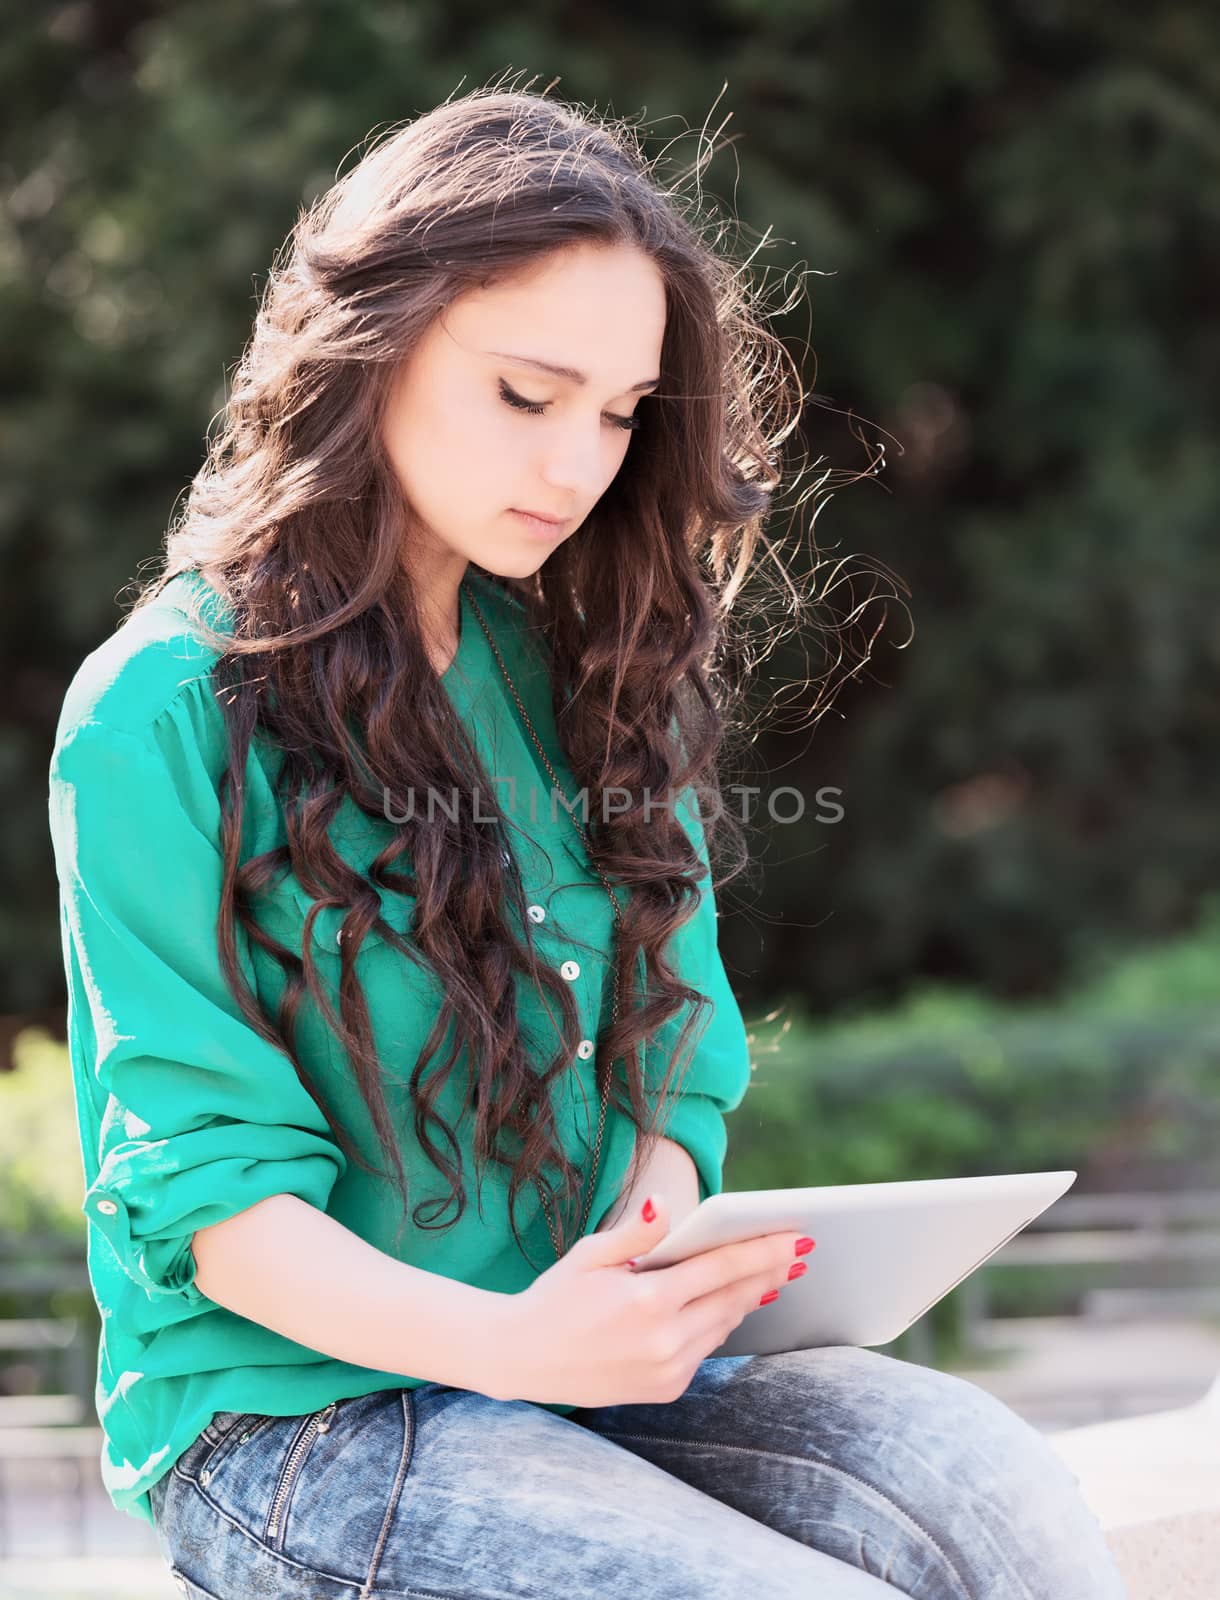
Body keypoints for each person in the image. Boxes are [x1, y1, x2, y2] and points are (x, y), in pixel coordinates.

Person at [48, 83, 1128, 1599]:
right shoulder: (158, 710)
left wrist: (658, 1212)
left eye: (622, 415)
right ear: (375, 346)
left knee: (991, 1487)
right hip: (299, 1421)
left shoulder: (578, 670)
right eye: (527, 393)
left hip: (590, 1363)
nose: (579, 466)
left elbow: (680, 1059)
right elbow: (211, 1204)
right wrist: (510, 1344)